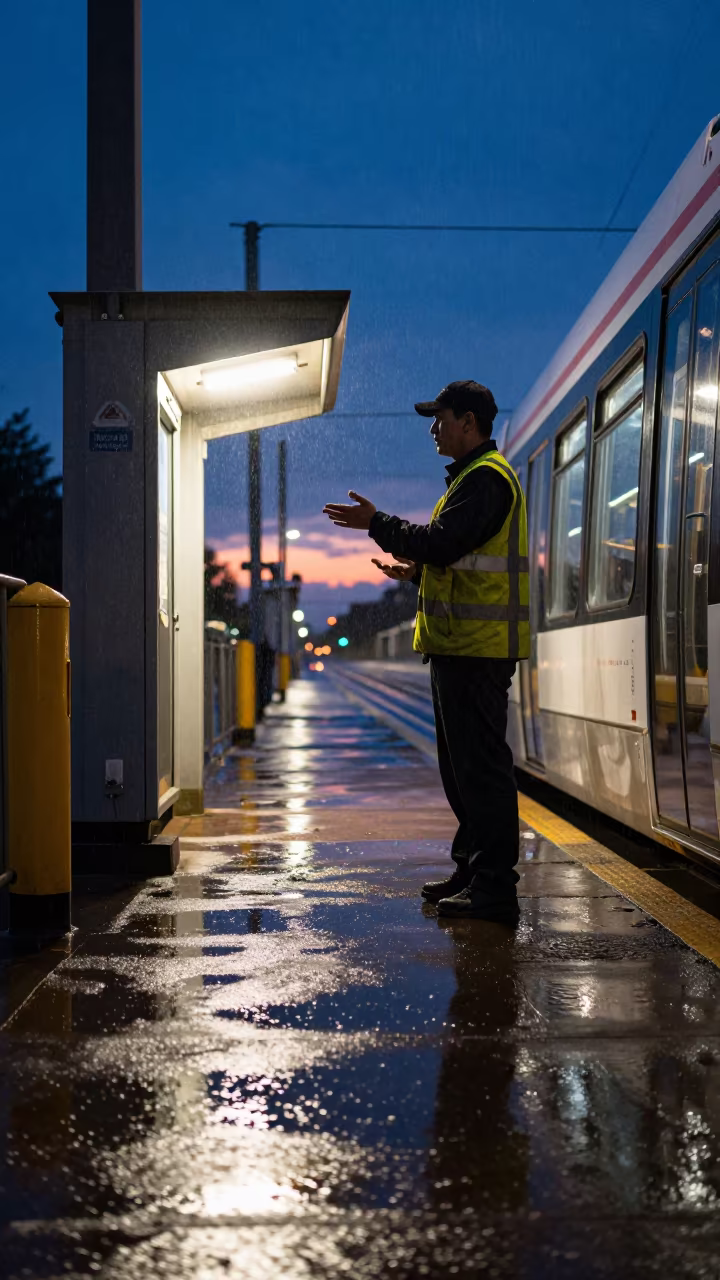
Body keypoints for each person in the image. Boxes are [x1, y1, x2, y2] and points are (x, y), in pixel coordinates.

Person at [322, 380, 529, 923]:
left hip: (476, 651)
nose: (433, 429)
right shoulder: (467, 480)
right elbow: (453, 558)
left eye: (439, 419)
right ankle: (471, 871)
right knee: (461, 772)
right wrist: (417, 573)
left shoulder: (485, 480)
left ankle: (493, 890)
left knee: (481, 771)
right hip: (458, 646)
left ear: (469, 422)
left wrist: (378, 525)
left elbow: (442, 541)